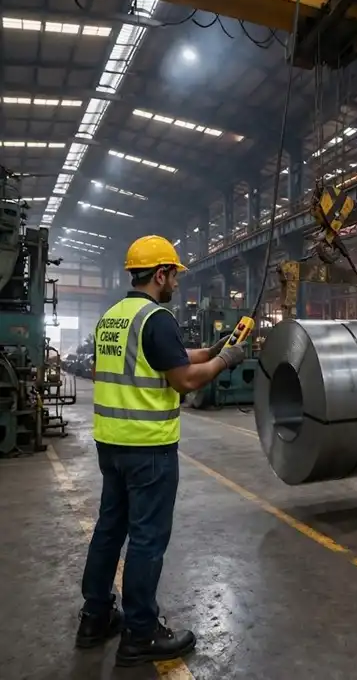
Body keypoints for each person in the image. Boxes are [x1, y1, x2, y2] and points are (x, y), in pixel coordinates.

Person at [76, 235, 246, 667]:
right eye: (173, 274)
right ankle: (140, 633)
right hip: (148, 449)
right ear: (160, 273)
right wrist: (226, 362)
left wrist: (212, 350)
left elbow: (159, 358)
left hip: (110, 444)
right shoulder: (157, 317)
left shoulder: (113, 317)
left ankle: (94, 618)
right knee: (147, 539)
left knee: (109, 530)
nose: (176, 282)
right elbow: (184, 380)